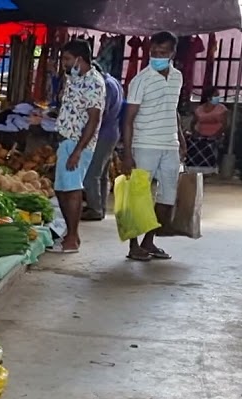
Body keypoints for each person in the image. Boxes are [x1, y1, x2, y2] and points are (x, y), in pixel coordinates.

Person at [122, 31, 185, 261]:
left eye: (163, 53)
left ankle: (149, 242)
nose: (157, 56)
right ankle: (133, 245)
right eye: (154, 53)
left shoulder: (178, 77)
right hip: (145, 144)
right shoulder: (140, 80)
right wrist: (127, 154)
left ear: (172, 53)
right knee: (137, 196)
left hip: (170, 144)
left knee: (168, 196)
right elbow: (128, 120)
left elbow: (173, 109)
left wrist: (181, 139)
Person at [48, 40, 104, 254]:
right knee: (62, 189)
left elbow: (94, 119)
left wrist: (78, 151)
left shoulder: (94, 83)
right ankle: (71, 236)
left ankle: (71, 238)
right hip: (66, 140)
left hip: (77, 143)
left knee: (72, 190)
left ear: (79, 59)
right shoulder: (74, 78)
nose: (64, 63)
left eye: (67, 59)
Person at [82, 62, 122, 221]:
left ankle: (95, 208)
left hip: (102, 134)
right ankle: (100, 206)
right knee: (102, 173)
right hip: (112, 132)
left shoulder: (104, 86)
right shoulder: (114, 81)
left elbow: (99, 114)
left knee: (91, 173)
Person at [186, 85, 227, 168]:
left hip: (216, 136)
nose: (217, 97)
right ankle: (194, 166)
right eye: (215, 95)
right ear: (209, 97)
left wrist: (216, 135)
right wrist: (195, 133)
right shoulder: (199, 109)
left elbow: (225, 125)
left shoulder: (222, 109)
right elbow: (193, 123)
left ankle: (210, 168)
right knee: (192, 144)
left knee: (211, 145)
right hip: (200, 135)